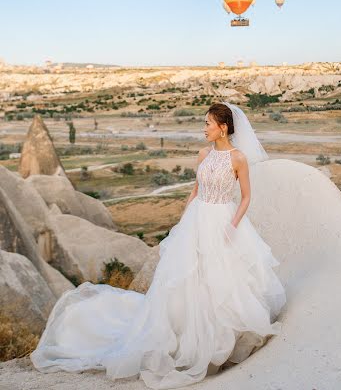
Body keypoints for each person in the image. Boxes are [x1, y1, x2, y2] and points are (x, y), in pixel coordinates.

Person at [30, 102, 286, 389]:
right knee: (186, 280)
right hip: (197, 220)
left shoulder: (238, 159)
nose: (204, 129)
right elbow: (195, 190)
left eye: (208, 124)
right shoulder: (203, 154)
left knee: (222, 281)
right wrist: (183, 221)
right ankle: (183, 340)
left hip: (224, 221)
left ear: (223, 127)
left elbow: (247, 197)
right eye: (204, 124)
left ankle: (222, 342)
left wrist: (232, 225)